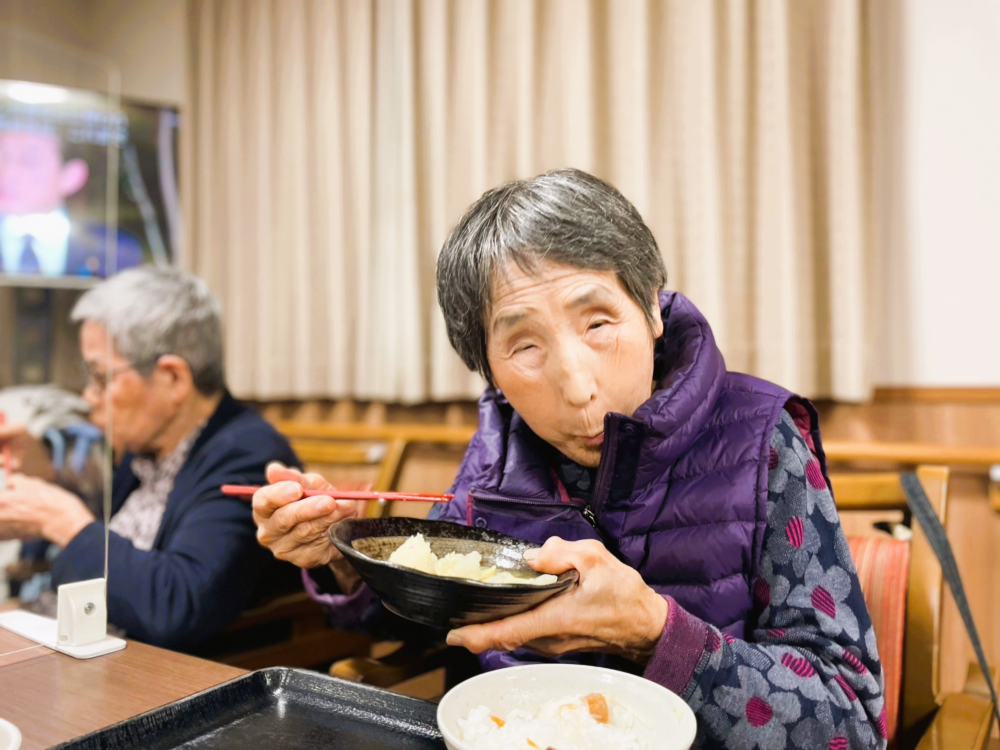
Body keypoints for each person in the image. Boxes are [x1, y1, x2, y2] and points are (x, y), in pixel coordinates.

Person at [252, 169, 887, 749]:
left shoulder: (763, 439)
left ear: (651, 310)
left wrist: (654, 630)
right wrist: (341, 557)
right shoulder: (499, 446)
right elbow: (440, 615)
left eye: (599, 323)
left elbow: (853, 725)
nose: (578, 387)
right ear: (490, 370)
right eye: (524, 344)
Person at [0, 267, 299, 650]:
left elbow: (180, 604)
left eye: (101, 377)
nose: (90, 396)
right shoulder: (152, 448)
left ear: (172, 379)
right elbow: (112, 529)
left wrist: (60, 520)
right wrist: (47, 469)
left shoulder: (248, 456)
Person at [0, 127, 142, 277]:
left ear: (71, 176)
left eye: (28, 161)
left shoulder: (116, 251)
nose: (7, 173)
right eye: (2, 158)